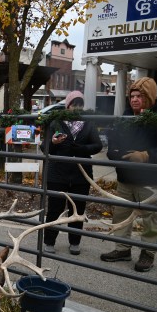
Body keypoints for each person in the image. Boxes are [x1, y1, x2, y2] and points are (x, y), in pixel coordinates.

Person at [100, 77, 157, 271]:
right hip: (125, 178)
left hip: (151, 180)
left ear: (151, 97)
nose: (134, 100)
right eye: (132, 96)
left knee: (150, 218)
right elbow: (113, 140)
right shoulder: (126, 116)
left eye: (140, 96)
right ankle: (122, 249)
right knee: (120, 216)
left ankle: (148, 253)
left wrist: (147, 155)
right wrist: (114, 153)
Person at [40, 91, 102, 255]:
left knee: (78, 209)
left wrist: (82, 149)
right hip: (57, 174)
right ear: (68, 105)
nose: (77, 108)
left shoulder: (88, 123)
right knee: (54, 209)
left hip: (81, 175)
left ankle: (75, 242)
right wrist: (53, 142)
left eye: (80, 105)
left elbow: (98, 146)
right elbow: (44, 147)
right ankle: (49, 241)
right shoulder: (56, 122)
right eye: (74, 104)